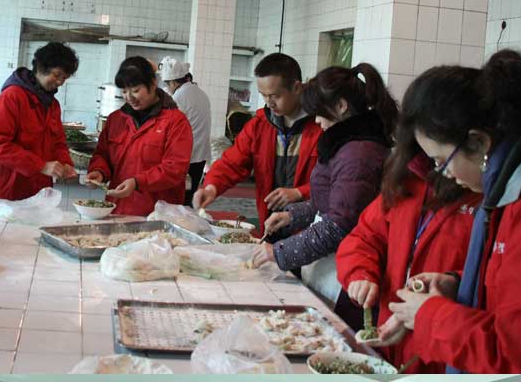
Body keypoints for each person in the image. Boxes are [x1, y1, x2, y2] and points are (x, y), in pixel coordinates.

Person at [381, 50, 521, 372]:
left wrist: (429, 315)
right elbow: (512, 284)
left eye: (441, 160)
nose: (443, 174)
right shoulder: (506, 185)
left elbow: (519, 353)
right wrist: (458, 283)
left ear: (479, 142)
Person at [335, 115, 484, 371]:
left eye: (441, 159)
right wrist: (360, 274)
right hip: (390, 334)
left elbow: (490, 276)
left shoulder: (483, 199)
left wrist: (454, 282)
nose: (439, 167)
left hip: (443, 346)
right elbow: (365, 237)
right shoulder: (406, 181)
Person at [255, 64, 396, 316]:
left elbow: (339, 225)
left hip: (346, 275)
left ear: (341, 106)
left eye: (320, 114)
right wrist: (292, 215)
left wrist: (279, 252)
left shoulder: (358, 154)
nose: (317, 121)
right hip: (331, 265)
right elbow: (332, 201)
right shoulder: (345, 144)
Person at [193, 52, 322, 232]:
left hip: (312, 229)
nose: (269, 103)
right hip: (270, 224)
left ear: (296, 87)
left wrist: (300, 193)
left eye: (275, 96)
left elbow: (334, 181)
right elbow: (232, 163)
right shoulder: (260, 125)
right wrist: (211, 188)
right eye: (264, 95)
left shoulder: (322, 125)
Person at [84, 56, 192, 217]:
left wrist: (138, 182)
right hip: (117, 210)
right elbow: (103, 154)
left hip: (157, 215)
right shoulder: (116, 120)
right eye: (124, 91)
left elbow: (174, 169)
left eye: (135, 90)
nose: (129, 97)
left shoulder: (175, 121)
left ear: (152, 85)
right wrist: (99, 171)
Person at [0, 41, 79, 203]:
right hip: (7, 192)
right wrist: (41, 166)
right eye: (57, 75)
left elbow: (58, 142)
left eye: (64, 78)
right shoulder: (11, 97)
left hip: (38, 191)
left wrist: (65, 163)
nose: (60, 82)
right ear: (40, 68)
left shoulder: (52, 105)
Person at [158, 57, 212, 204]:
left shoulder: (179, 96)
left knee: (177, 199)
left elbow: (172, 126)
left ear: (174, 82)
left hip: (186, 156)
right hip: (200, 154)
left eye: (167, 84)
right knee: (190, 196)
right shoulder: (200, 92)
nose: (168, 88)